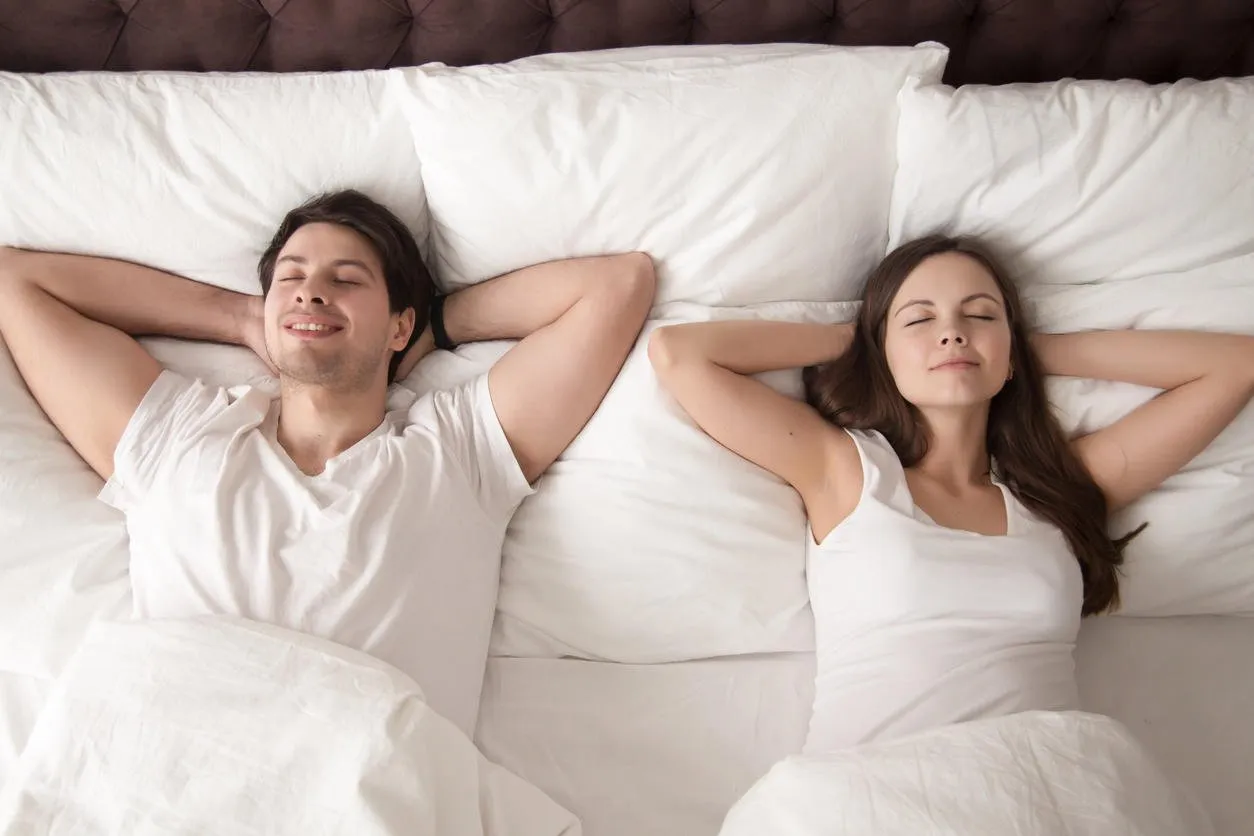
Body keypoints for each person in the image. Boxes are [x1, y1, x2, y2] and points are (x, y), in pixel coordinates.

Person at [0, 189, 656, 734]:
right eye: (291, 277)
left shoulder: (460, 451)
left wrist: (439, 322)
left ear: (397, 326)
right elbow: (14, 280)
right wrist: (238, 317)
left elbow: (618, 284)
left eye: (345, 280)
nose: (310, 292)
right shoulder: (181, 436)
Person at [648, 234, 1254, 752]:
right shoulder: (847, 470)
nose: (953, 335)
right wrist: (856, 343)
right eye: (919, 320)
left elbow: (1235, 365)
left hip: (1045, 789)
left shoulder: (1056, 489)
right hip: (875, 793)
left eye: (981, 316)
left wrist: (1023, 351)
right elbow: (680, 354)